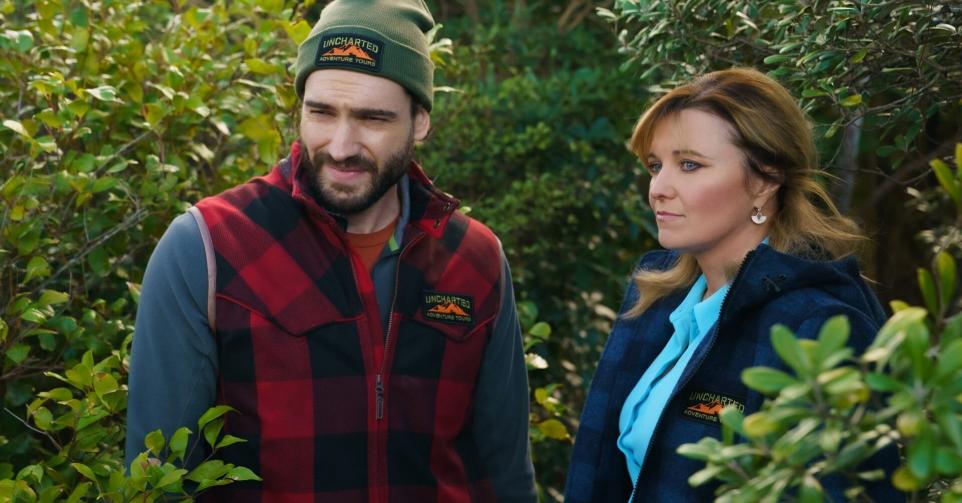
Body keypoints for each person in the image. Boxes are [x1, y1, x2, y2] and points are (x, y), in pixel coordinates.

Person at [125, 1, 537, 501]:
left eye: (373, 118)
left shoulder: (474, 259)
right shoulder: (209, 247)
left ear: (420, 121)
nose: (341, 146)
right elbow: (157, 481)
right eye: (321, 112)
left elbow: (505, 477)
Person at [564, 68, 898, 502]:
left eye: (689, 165)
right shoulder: (658, 296)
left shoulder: (820, 328)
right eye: (655, 166)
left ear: (765, 180)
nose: (658, 188)